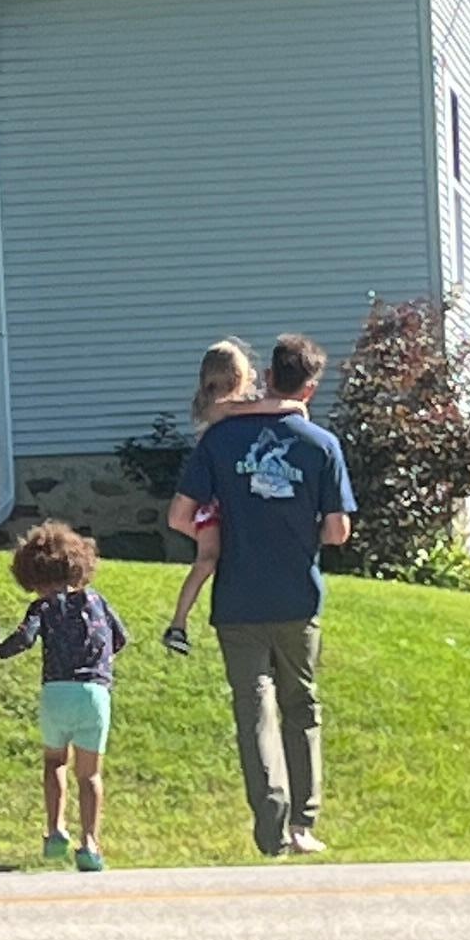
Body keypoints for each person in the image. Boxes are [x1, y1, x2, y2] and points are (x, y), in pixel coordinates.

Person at [167, 330, 354, 860]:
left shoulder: (219, 441)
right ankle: (304, 823)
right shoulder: (322, 446)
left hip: (237, 601)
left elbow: (180, 515)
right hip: (298, 598)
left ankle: (269, 828)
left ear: (267, 377)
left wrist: (219, 535)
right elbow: (338, 530)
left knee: (254, 711)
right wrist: (301, 530)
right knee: (302, 707)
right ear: (310, 389)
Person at [0, 520, 128, 869]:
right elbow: (121, 637)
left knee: (55, 762)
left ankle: (55, 830)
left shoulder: (43, 608)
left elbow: (21, 641)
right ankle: (91, 844)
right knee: (90, 775)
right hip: (95, 694)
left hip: (56, 692)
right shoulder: (98, 601)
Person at [161, 337, 268, 658]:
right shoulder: (217, 409)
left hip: (227, 500)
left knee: (222, 556)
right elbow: (235, 412)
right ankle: (178, 623)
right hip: (213, 503)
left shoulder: (239, 408)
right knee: (207, 558)